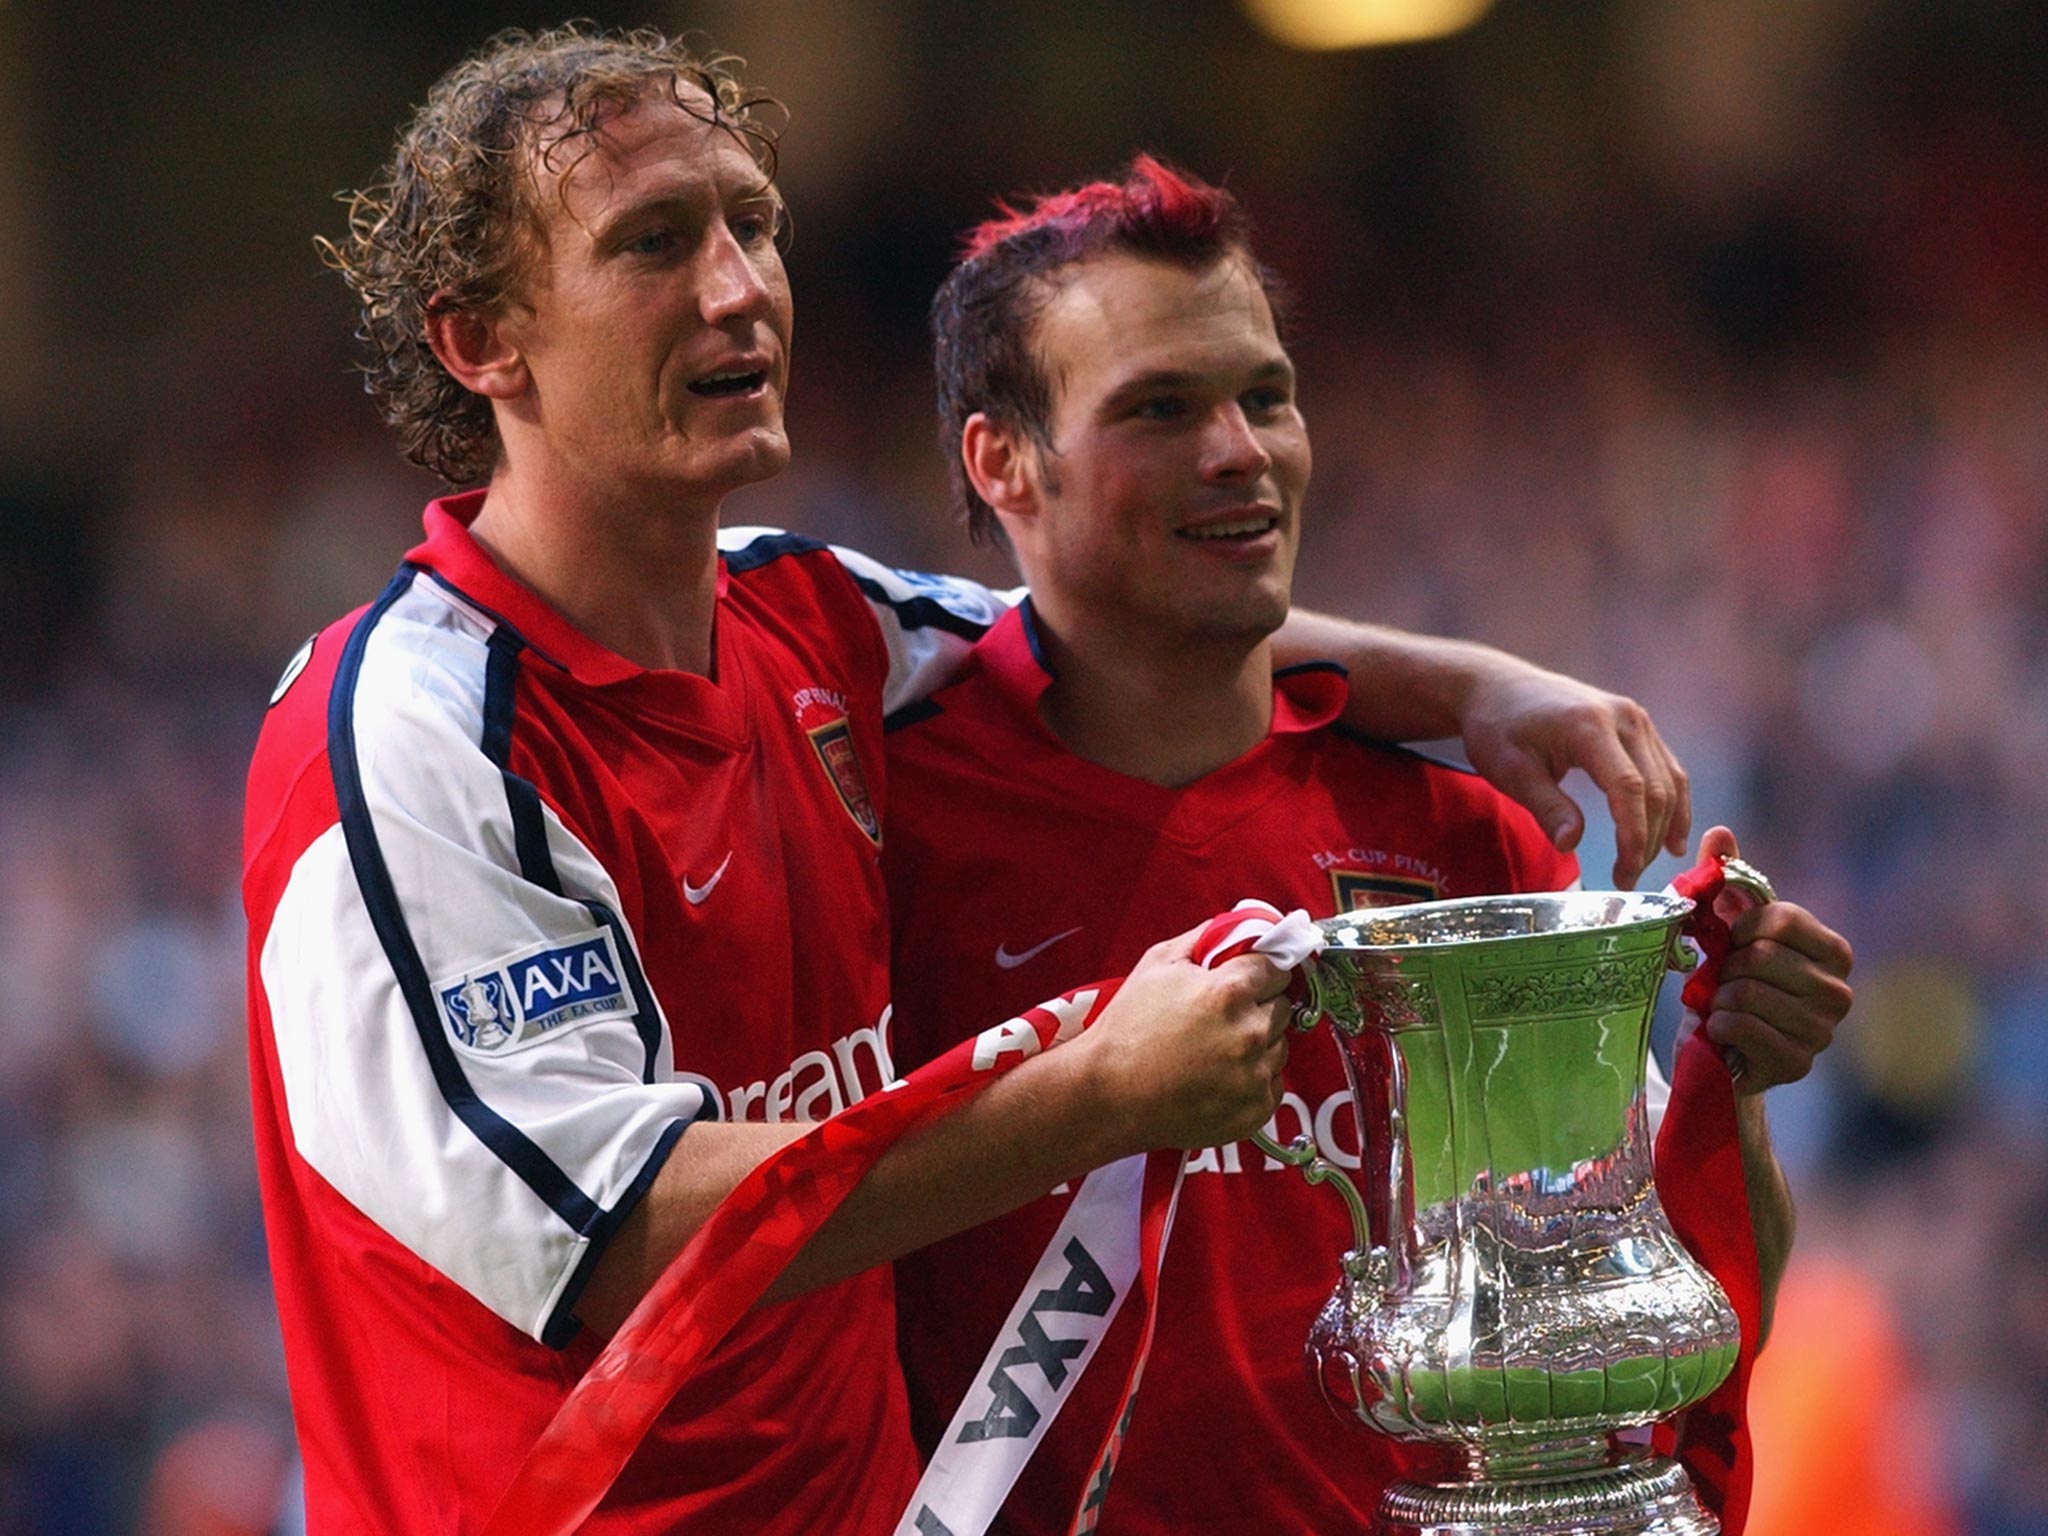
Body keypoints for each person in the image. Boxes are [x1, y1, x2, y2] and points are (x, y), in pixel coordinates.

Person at [243, 25, 1696, 1533]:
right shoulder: (411, 740)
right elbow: (613, 1236)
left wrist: (1479, 686)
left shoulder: (802, 617)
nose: (741, 287)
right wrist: (1093, 1097)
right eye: (655, 243)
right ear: (481, 341)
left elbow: (1104, 623)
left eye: (755, 226)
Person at [885, 157, 1855, 1535]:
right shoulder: (879, 834)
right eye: (1161, 409)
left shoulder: (1464, 847)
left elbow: (1640, 1311)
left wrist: (1736, 1081)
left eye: (1265, 395)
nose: (1242, 450)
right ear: (1002, 463)